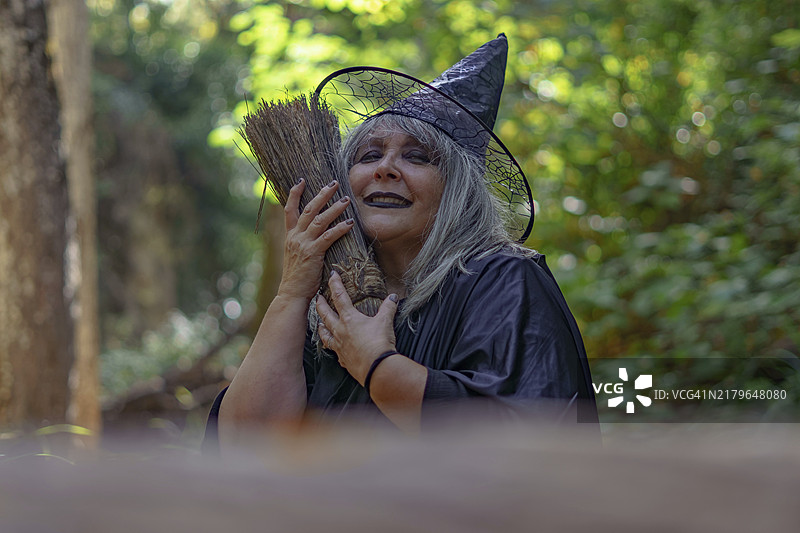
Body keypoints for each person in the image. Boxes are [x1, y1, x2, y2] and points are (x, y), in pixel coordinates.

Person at [205, 34, 595, 453]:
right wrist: (292, 292)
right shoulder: (326, 309)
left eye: (417, 156)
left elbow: (523, 438)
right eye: (369, 155)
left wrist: (375, 364)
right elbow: (244, 444)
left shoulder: (504, 279)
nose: (386, 168)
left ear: (458, 192)